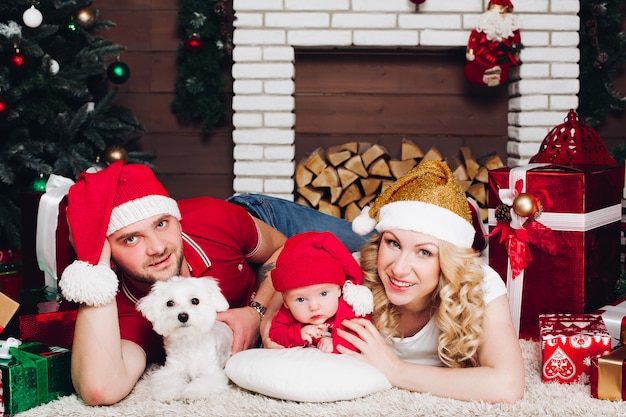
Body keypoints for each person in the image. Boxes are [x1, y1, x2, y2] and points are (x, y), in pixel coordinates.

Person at [48, 161, 367, 406]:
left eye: (162, 224)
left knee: (376, 242)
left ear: (176, 219)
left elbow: (287, 249)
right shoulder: (125, 309)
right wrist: (94, 265)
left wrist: (256, 313)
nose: (158, 246)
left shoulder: (215, 218)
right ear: (110, 253)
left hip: (263, 225)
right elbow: (99, 389)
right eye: (131, 239)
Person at [336, 160, 525, 403]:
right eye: (393, 243)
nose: (399, 269)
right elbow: (286, 266)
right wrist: (268, 313)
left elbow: (507, 386)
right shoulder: (358, 271)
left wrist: (395, 370)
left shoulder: (480, 283)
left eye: (424, 252)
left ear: (449, 262)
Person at [269, 231, 373, 353]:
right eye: (301, 299)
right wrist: (299, 334)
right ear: (286, 302)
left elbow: (362, 337)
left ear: (339, 290)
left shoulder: (350, 308)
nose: (314, 307)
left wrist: (336, 344)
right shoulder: (287, 314)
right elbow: (275, 334)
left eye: (323, 294)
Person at [464, 0, 523, 87]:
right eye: (500, 14)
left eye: (506, 14)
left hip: (503, 53)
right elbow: (474, 37)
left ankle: (493, 77)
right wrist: (470, 51)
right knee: (487, 58)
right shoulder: (483, 27)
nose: (503, 16)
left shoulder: (512, 29)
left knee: (504, 59)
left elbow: (516, 41)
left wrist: (516, 53)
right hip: (485, 53)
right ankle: (489, 76)